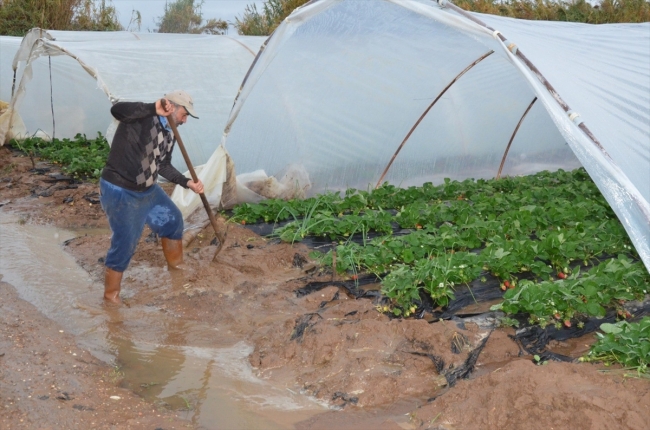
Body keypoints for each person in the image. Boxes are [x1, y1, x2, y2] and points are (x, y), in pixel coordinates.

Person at [99, 90, 204, 304]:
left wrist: (187, 183)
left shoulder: (170, 132)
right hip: (121, 190)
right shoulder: (142, 117)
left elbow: (163, 165)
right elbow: (117, 110)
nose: (185, 121)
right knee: (125, 243)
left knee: (173, 221)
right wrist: (151, 107)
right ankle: (111, 298)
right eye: (184, 114)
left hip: (147, 190)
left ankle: (177, 268)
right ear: (171, 107)